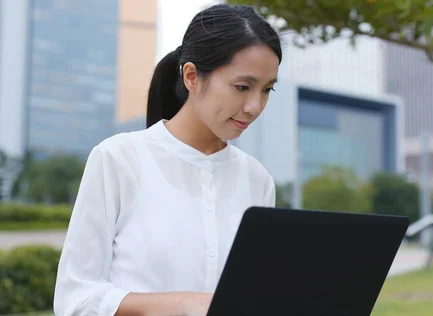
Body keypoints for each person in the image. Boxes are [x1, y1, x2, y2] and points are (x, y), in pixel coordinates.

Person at [53, 4, 282, 315]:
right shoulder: (118, 159)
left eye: (267, 90)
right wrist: (184, 303)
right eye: (242, 87)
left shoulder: (257, 179)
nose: (255, 106)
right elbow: (75, 299)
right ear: (191, 76)